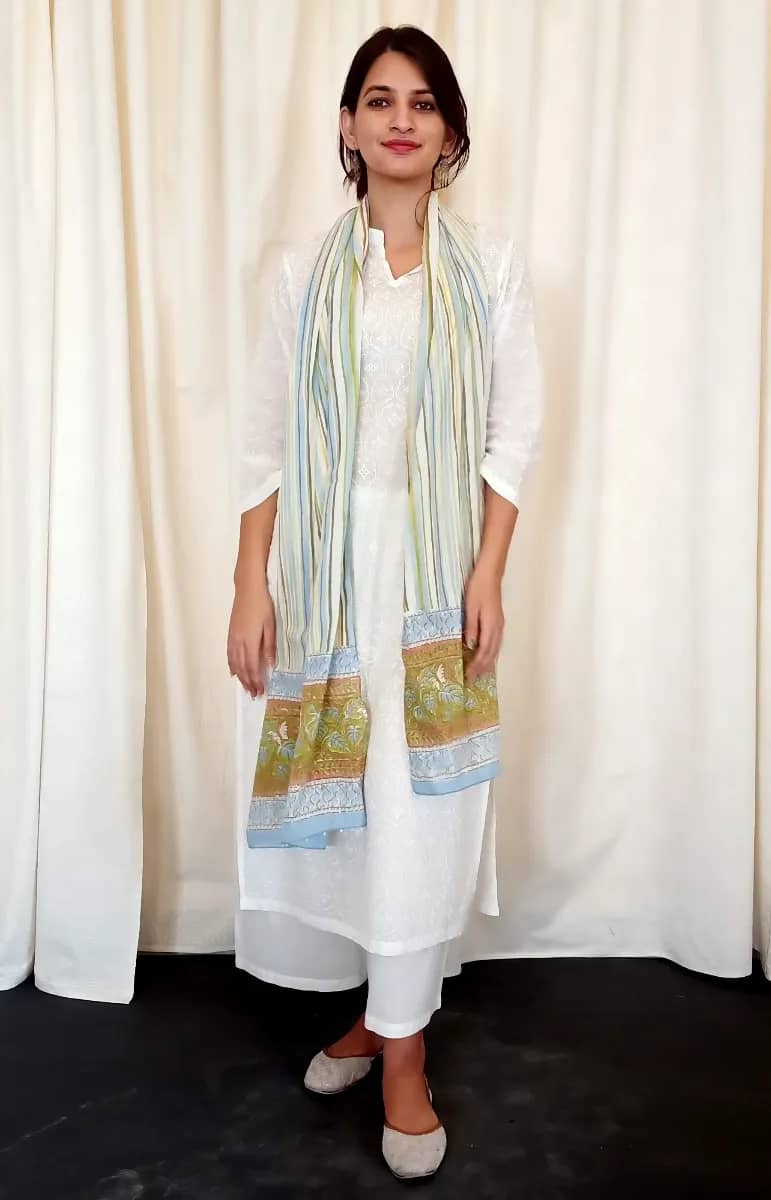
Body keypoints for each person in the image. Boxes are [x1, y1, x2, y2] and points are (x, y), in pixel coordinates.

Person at [227, 23, 543, 1181]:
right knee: (357, 813)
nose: (400, 118)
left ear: (449, 131)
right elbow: (264, 442)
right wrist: (250, 582)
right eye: (379, 99)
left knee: (419, 809)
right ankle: (380, 1012)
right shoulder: (300, 274)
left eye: (422, 101)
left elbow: (513, 435)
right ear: (350, 126)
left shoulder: (490, 268)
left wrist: (487, 572)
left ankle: (403, 1055)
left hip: (431, 579)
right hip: (327, 582)